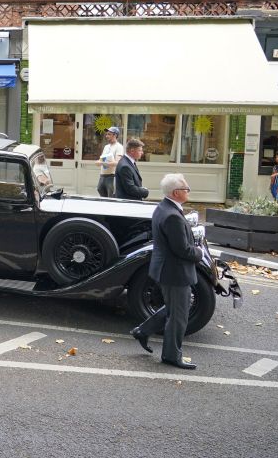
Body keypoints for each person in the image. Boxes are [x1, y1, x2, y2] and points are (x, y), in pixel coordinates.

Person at [130, 174, 202, 370]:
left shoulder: (164, 207)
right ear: (176, 192)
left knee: (176, 307)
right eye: (186, 189)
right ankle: (171, 355)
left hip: (166, 269)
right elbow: (182, 250)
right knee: (179, 315)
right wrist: (199, 252)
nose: (188, 191)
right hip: (174, 272)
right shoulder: (172, 216)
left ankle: (143, 331)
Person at [96, 126, 124, 198]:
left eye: (109, 134)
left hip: (111, 177)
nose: (106, 136)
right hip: (102, 175)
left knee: (111, 197)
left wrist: (103, 163)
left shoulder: (119, 147)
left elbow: (118, 163)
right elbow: (101, 159)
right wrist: (98, 162)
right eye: (106, 134)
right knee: (100, 191)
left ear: (115, 135)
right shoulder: (106, 147)